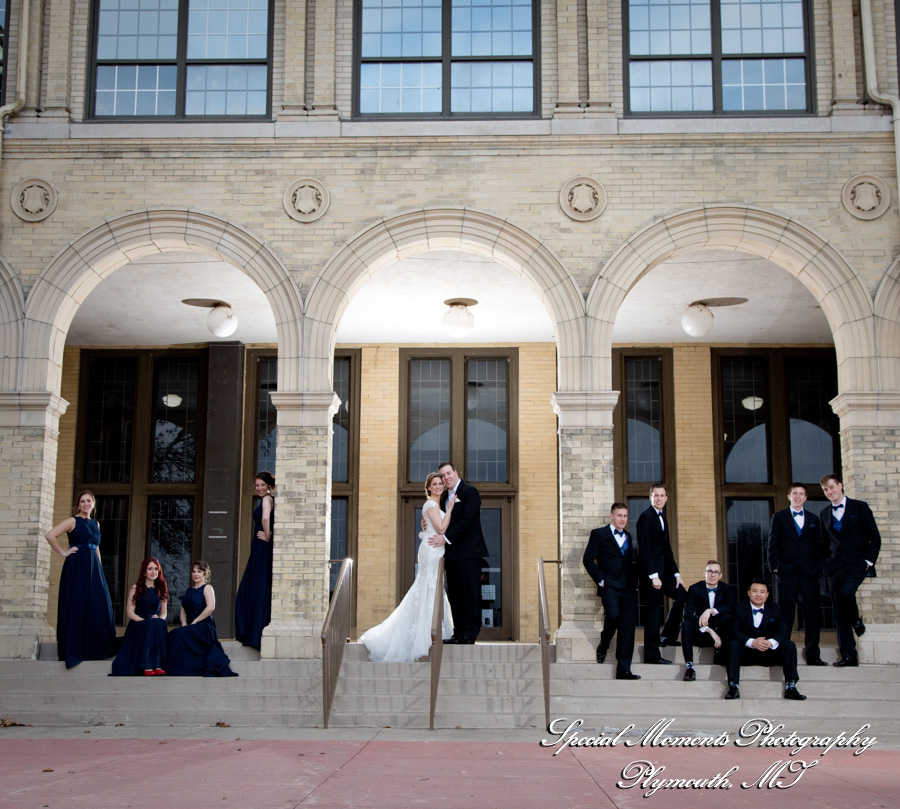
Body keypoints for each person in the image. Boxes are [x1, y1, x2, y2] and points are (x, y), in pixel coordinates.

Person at [360, 472, 455, 661]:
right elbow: (442, 528)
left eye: (440, 484)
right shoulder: (430, 504)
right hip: (431, 551)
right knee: (427, 587)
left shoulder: (436, 506)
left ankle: (431, 631)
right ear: (428, 487)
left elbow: (433, 527)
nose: (438, 486)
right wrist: (451, 509)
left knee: (430, 588)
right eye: (434, 484)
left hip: (435, 548)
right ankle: (425, 636)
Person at [45, 490, 116, 669]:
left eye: (88, 501)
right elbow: (50, 535)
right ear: (78, 505)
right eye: (82, 501)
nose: (85, 504)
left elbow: (96, 547)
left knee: (97, 604)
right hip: (76, 566)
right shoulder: (72, 521)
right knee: (77, 604)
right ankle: (75, 648)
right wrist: (64, 553)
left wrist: (99, 569)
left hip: (94, 567)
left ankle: (94, 648)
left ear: (93, 503)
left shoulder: (96, 524)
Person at [819, 474, 881, 667]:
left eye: (831, 487)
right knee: (839, 611)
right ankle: (849, 655)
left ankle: (856, 621)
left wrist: (868, 561)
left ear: (840, 486)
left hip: (857, 564)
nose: (829, 492)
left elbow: (874, 537)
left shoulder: (860, 507)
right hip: (835, 568)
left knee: (847, 593)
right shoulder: (824, 513)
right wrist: (825, 565)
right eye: (825, 490)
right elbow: (823, 543)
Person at [427, 462, 488, 644]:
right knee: (455, 595)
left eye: (448, 473)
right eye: (442, 475)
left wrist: (445, 538)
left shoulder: (470, 492)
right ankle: (458, 633)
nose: (446, 478)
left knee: (469, 594)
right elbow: (439, 517)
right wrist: (428, 524)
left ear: (456, 472)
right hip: (452, 554)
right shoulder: (444, 495)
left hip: (469, 554)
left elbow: (468, 520)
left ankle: (470, 634)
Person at [768, 483, 826, 665]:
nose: (798, 497)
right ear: (789, 496)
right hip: (786, 572)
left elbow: (819, 547)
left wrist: (818, 569)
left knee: (812, 615)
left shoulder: (813, 519)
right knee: (784, 614)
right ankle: (781, 652)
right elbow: (772, 545)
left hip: (809, 573)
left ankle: (813, 655)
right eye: (795, 494)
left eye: (801, 494)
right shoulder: (779, 517)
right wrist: (775, 567)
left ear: (806, 498)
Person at [583, 503, 641, 680]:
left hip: (628, 589)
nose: (623, 519)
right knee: (613, 616)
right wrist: (601, 580)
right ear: (612, 516)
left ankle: (624, 670)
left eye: (625, 516)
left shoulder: (629, 537)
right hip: (609, 586)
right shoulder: (599, 534)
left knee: (628, 628)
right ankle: (604, 642)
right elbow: (587, 559)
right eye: (619, 515)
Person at [724, 579, 805, 701]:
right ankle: (733, 686)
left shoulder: (776, 609)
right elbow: (734, 631)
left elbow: (783, 631)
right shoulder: (739, 608)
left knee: (789, 645)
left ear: (767, 595)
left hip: (769, 653)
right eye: (755, 591)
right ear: (748, 593)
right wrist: (752, 642)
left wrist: (771, 642)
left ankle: (791, 686)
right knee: (732, 644)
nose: (758, 594)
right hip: (747, 653)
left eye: (762, 592)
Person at [637, 483, 686, 663]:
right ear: (650, 497)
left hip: (664, 573)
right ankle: (651, 655)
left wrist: (676, 574)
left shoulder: (662, 518)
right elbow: (645, 548)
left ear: (666, 498)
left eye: (662, 495)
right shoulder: (646, 517)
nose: (659, 498)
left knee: (682, 595)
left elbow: (667, 549)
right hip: (652, 575)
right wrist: (653, 575)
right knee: (652, 613)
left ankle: (667, 636)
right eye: (655, 495)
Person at [167, 561, 237, 677]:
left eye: (199, 571)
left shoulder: (207, 588)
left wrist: (196, 621)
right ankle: (178, 668)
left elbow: (211, 607)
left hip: (204, 625)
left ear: (205, 574)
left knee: (177, 634)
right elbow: (183, 610)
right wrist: (184, 624)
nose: (196, 574)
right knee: (176, 633)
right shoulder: (189, 591)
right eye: (193, 571)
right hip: (190, 626)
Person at [235, 471, 275, 649]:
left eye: (261, 485)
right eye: (257, 485)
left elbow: (266, 517)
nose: (259, 488)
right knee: (257, 584)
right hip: (260, 546)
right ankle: (254, 632)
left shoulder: (267, 499)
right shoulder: (267, 499)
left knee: (256, 585)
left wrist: (267, 536)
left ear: (268, 486)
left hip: (262, 545)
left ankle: (254, 633)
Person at [111, 557, 169, 676]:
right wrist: (145, 621)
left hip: (154, 622)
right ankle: (147, 666)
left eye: (156, 569)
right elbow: (130, 613)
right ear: (144, 572)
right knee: (151, 625)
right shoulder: (136, 588)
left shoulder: (161, 589)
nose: (153, 572)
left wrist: (158, 619)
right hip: (138, 623)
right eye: (150, 569)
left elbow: (164, 613)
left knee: (159, 623)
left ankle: (157, 664)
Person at [680, 560, 735, 681]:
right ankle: (689, 667)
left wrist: (710, 610)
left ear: (720, 575)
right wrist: (710, 631)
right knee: (685, 625)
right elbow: (687, 614)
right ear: (704, 573)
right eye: (709, 571)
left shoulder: (727, 589)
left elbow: (729, 607)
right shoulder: (694, 589)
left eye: (716, 572)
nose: (712, 575)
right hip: (702, 632)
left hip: (721, 633)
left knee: (726, 618)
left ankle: (720, 654)